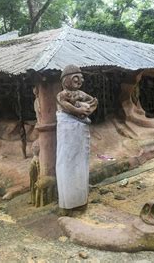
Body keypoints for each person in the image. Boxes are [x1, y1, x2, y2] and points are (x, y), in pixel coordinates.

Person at [56, 65, 98, 214]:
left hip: (80, 133)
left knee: (80, 164)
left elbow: (93, 101)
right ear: (66, 80)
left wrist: (89, 107)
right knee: (67, 164)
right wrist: (79, 109)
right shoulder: (62, 94)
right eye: (75, 78)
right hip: (68, 131)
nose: (79, 81)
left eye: (81, 79)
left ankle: (80, 201)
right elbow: (65, 105)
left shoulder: (81, 93)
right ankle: (67, 204)